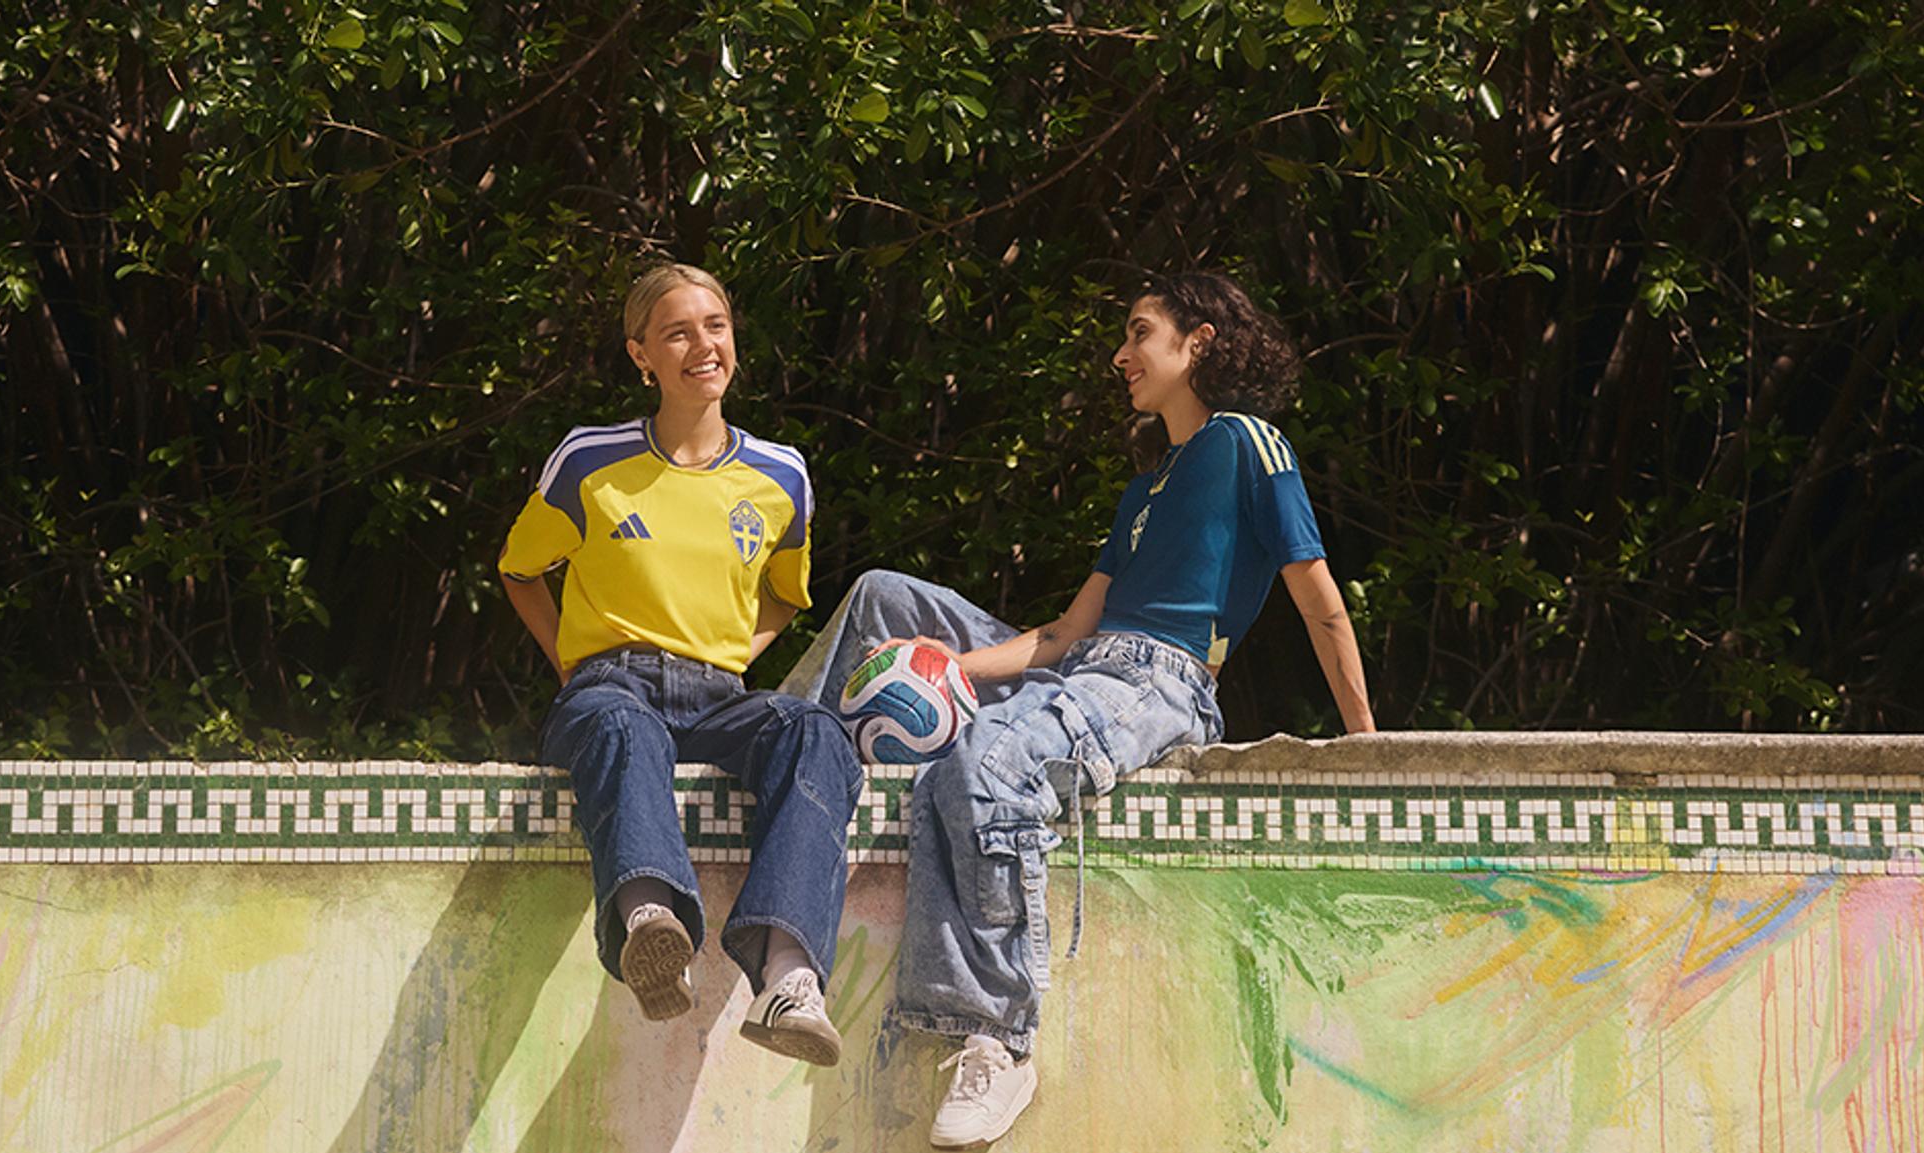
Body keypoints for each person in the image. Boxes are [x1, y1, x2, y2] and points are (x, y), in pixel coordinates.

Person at [780, 272, 1375, 1144]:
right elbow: (1060, 635)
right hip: (1080, 669)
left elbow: (1319, 600)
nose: (1120, 354)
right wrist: (941, 665)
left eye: (1140, 333)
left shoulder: (1250, 443)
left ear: (1199, 341)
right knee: (882, 596)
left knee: (983, 763)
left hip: (1156, 683)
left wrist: (1366, 740)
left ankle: (998, 1038)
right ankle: (790, 759)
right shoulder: (1146, 491)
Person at [499, 263, 859, 1066]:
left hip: (719, 696)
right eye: (678, 331)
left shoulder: (781, 475)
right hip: (610, 687)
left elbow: (787, 596)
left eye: (716, 325)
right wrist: (573, 665)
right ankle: (650, 920)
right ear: (642, 356)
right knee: (623, 722)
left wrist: (730, 651)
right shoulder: (589, 459)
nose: (704, 344)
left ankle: (788, 978)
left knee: (816, 730)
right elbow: (520, 570)